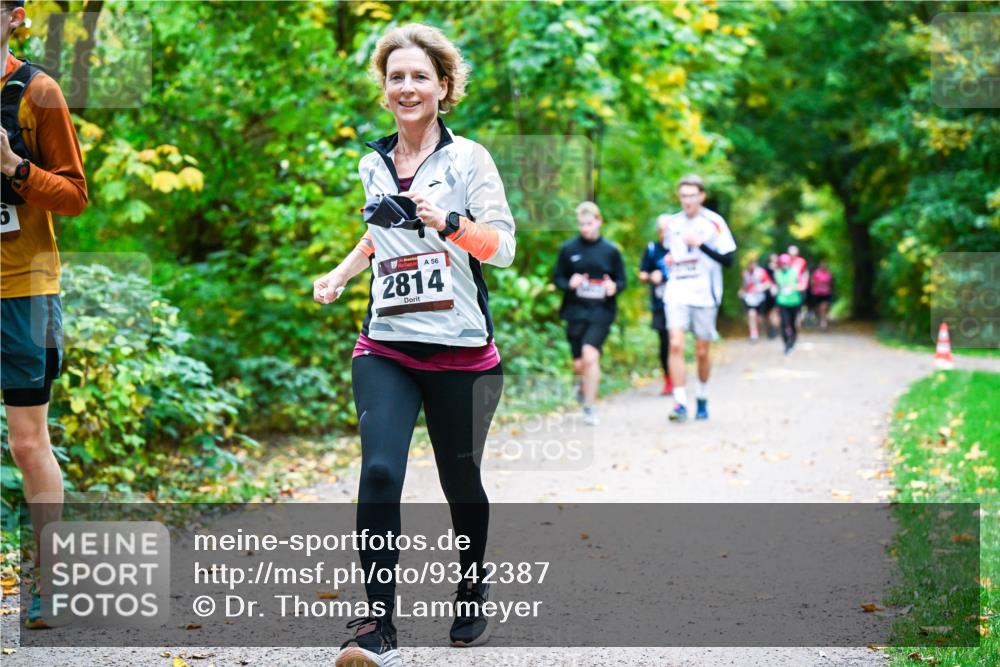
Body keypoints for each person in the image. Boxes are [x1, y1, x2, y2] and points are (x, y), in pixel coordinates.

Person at [312, 23, 515, 666]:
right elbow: (380, 235)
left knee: (461, 480)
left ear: (443, 87)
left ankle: (471, 585)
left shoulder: (470, 159)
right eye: (395, 76)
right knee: (378, 472)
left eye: (419, 76)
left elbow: (503, 250)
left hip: (460, 349)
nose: (406, 87)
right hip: (387, 346)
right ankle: (375, 626)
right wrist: (342, 273)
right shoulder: (372, 161)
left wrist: (447, 221)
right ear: (384, 89)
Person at [0, 0, 88, 629]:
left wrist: (13, 167)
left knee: (27, 443)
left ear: (15, 16)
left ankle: (48, 579)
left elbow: (76, 195)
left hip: (21, 290)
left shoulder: (37, 91)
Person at [663, 174, 736, 422]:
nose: (688, 201)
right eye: (683, 196)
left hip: (705, 294)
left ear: (702, 196)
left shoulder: (714, 223)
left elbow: (728, 261)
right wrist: (667, 262)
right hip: (677, 291)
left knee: (702, 351)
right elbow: (669, 254)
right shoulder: (672, 224)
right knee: (675, 344)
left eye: (692, 196)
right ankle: (680, 402)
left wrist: (701, 245)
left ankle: (702, 396)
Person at [552, 201, 627, 426]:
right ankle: (582, 385)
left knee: (590, 355)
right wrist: (570, 283)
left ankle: (590, 406)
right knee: (578, 365)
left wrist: (614, 287)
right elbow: (558, 278)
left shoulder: (611, 251)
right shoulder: (569, 249)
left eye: (589, 223)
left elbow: (622, 281)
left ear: (599, 221)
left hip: (601, 311)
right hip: (575, 311)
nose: (585, 228)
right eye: (581, 224)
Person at [638, 215, 671, 394]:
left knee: (676, 341)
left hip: (681, 302)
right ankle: (669, 379)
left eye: (668, 229)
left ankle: (678, 376)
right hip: (660, 304)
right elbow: (642, 273)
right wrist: (651, 276)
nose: (664, 233)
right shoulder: (652, 249)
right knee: (665, 342)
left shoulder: (680, 247)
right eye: (662, 229)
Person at [774, 253, 807, 353]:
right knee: (784, 323)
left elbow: (803, 286)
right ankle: (786, 344)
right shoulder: (777, 274)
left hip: (794, 302)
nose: (784, 265)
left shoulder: (795, 273)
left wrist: (793, 287)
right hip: (782, 302)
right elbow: (776, 287)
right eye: (782, 263)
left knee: (793, 323)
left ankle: (792, 341)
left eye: (786, 263)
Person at [737, 257, 773, 342]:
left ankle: (759, 330)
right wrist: (741, 291)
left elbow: (768, 283)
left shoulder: (761, 272)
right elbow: (744, 286)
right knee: (751, 315)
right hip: (749, 298)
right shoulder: (745, 273)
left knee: (759, 318)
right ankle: (753, 334)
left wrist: (760, 289)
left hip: (760, 298)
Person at [809, 259, 834, 330]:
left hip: (826, 293)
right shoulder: (816, 273)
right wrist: (816, 285)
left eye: (825, 265)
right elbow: (812, 282)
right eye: (822, 265)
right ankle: (820, 318)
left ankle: (823, 321)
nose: (824, 266)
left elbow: (831, 283)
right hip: (817, 293)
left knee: (824, 307)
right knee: (818, 307)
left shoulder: (829, 273)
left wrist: (827, 286)